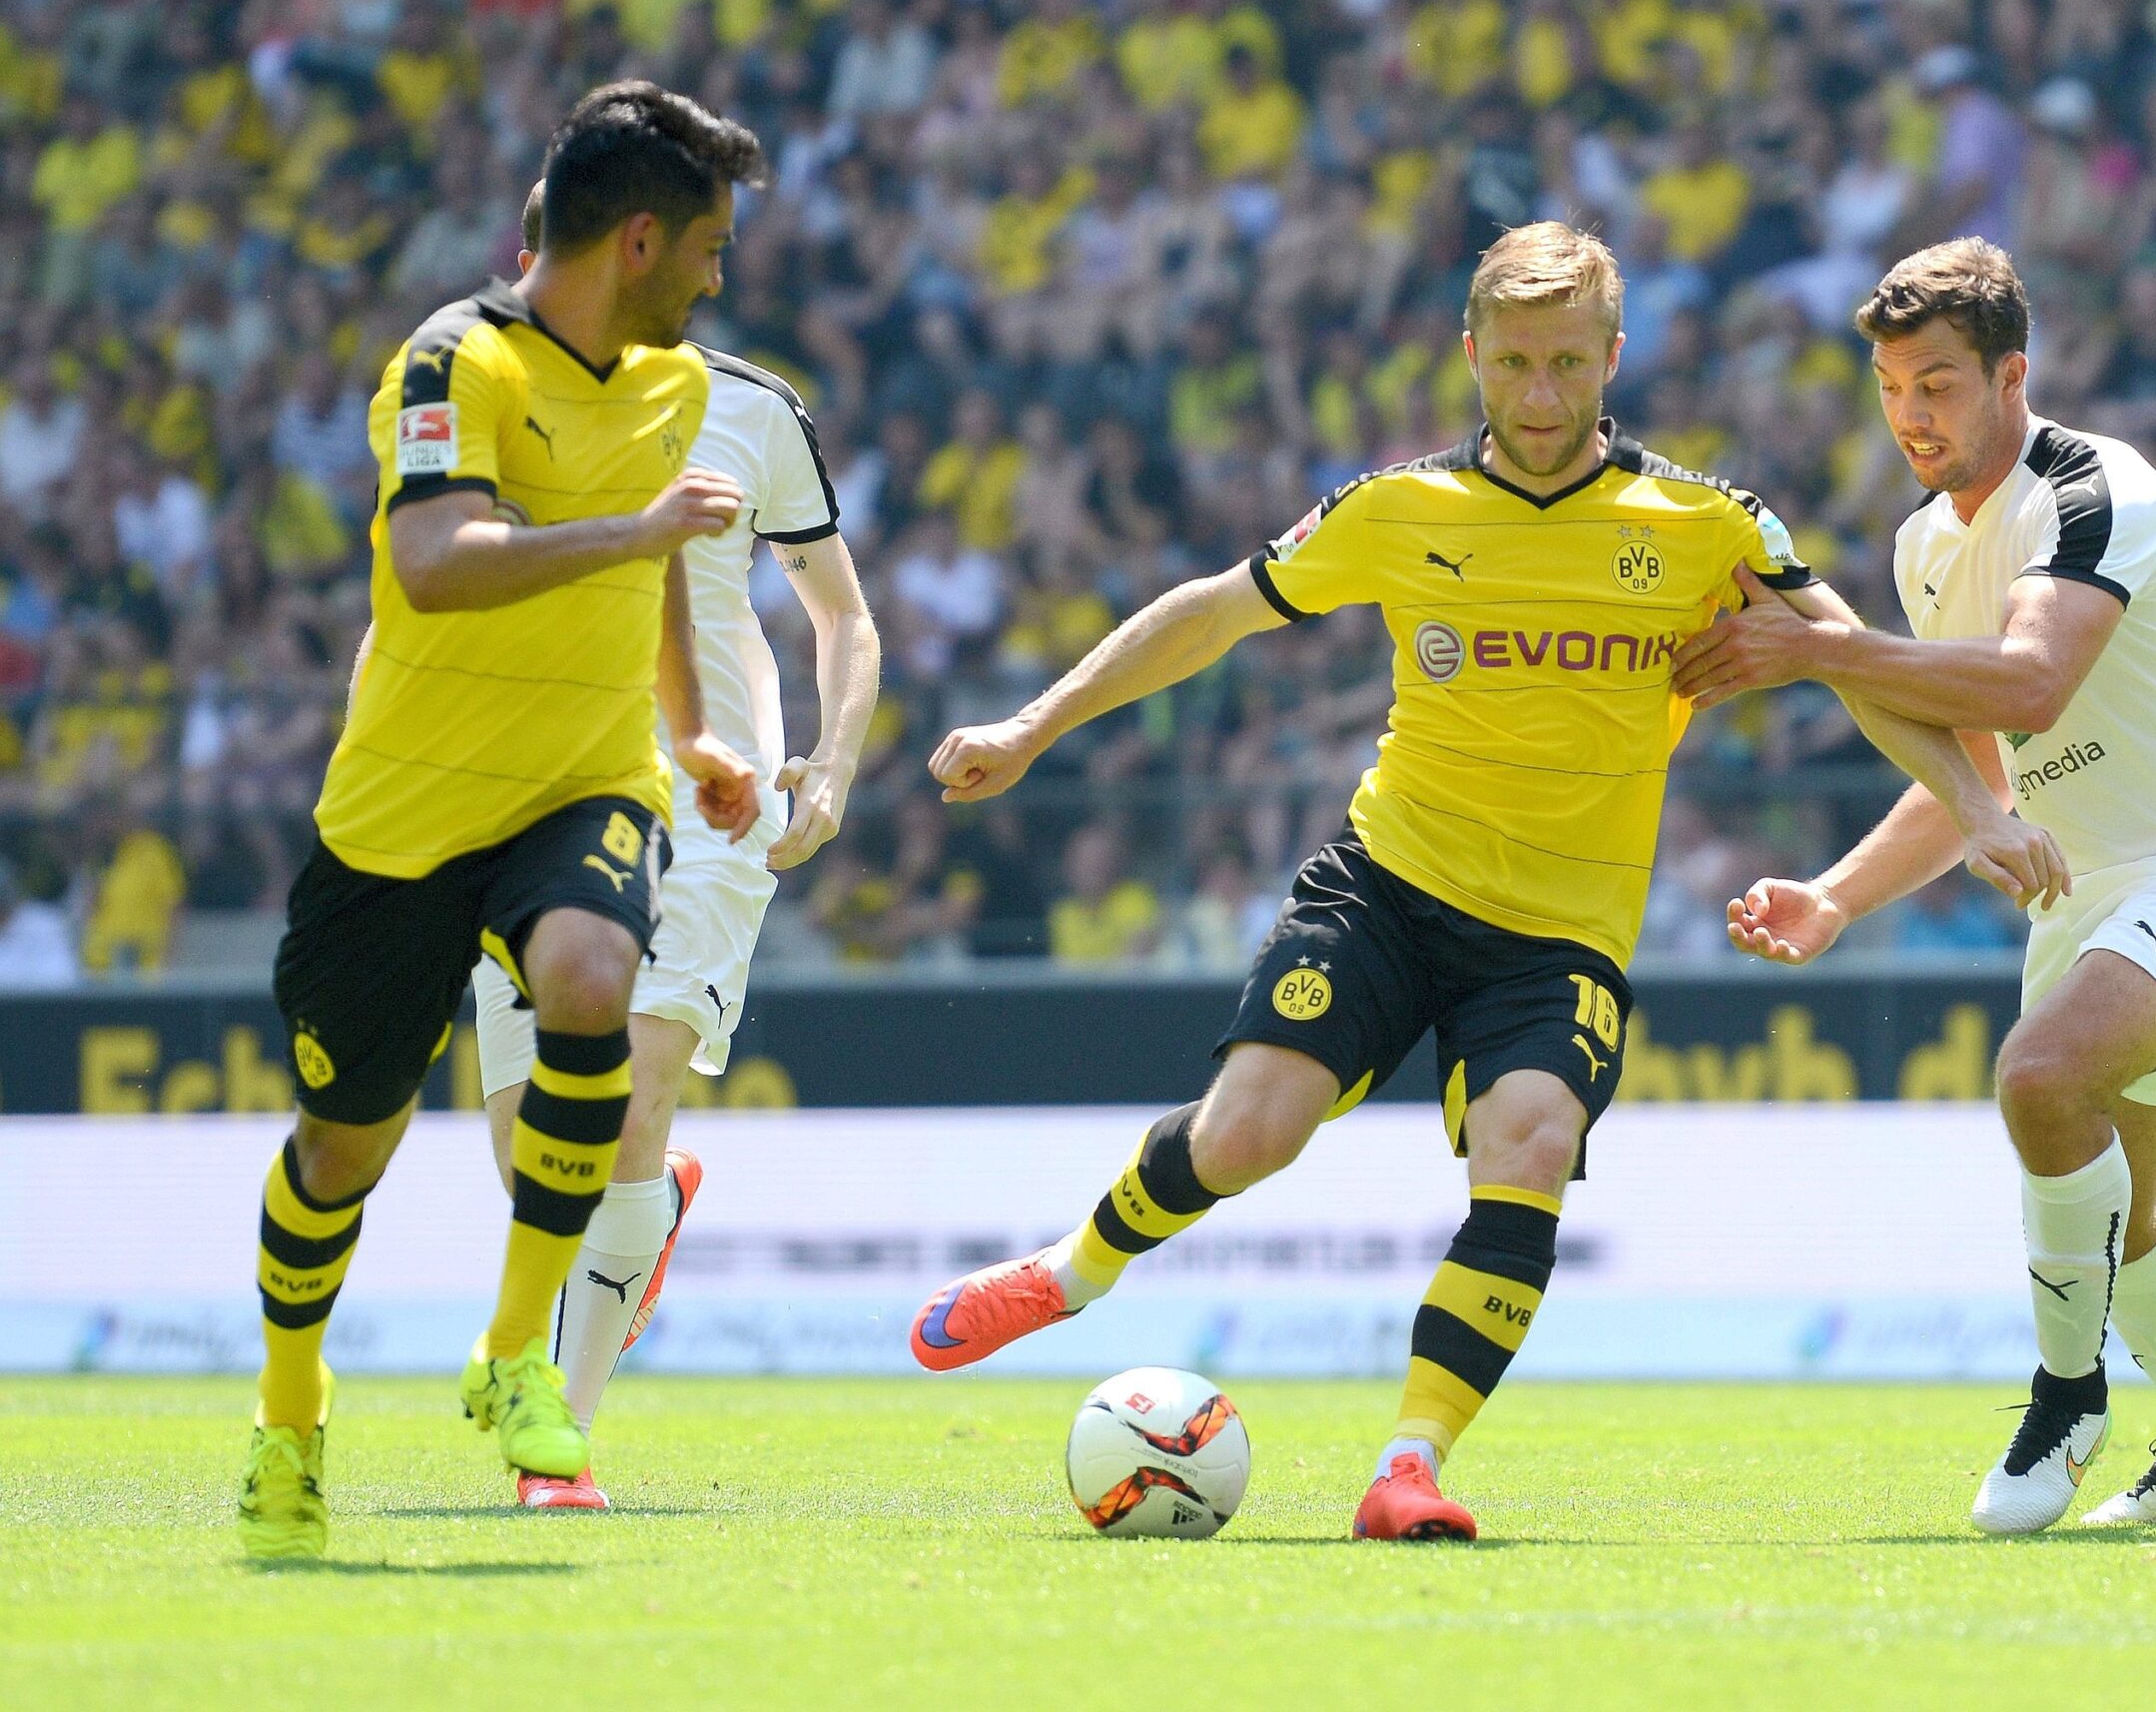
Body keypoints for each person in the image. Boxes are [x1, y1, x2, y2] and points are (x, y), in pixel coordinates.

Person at [908, 222, 2062, 1542]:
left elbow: (1857, 661)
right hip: (1390, 887)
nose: (1542, 395)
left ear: (1613, 358)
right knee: (1245, 1135)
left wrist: (1975, 805)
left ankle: (1409, 1466)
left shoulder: (1703, 524)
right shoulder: (1398, 509)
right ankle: (1069, 1273)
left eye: (1570, 363)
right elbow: (1217, 610)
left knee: (1531, 1145)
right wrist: (1029, 726)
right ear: (1472, 356)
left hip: (1558, 936)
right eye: (1514, 363)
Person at [1676, 238, 2156, 1532]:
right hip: (2083, 889)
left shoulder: (2094, 491)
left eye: (1941, 385)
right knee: (2119, 1214)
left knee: (2037, 1075)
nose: (1913, 415)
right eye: (1893, 387)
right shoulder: (1921, 548)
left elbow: (2030, 688)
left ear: (2010, 374)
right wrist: (1840, 896)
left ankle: (2066, 1397)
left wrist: (1818, 652)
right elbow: (1978, 773)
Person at [237, 82, 768, 1560]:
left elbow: (655, 571)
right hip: (404, 823)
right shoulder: (450, 361)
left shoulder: (671, 386)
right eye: (710, 248)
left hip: (583, 780)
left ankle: (519, 1348)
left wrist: (690, 733)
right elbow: (436, 562)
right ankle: (292, 1418)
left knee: (595, 981)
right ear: (640, 238)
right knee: (343, 1150)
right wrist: (643, 531)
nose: (720, 278)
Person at [471, 184, 884, 1512]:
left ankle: (564, 1447)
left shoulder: (752, 408)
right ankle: (632, 1239)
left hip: (710, 796)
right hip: (518, 789)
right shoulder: (480, 387)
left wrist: (826, 764)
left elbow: (843, 615)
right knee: (532, 1149)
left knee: (633, 1105)